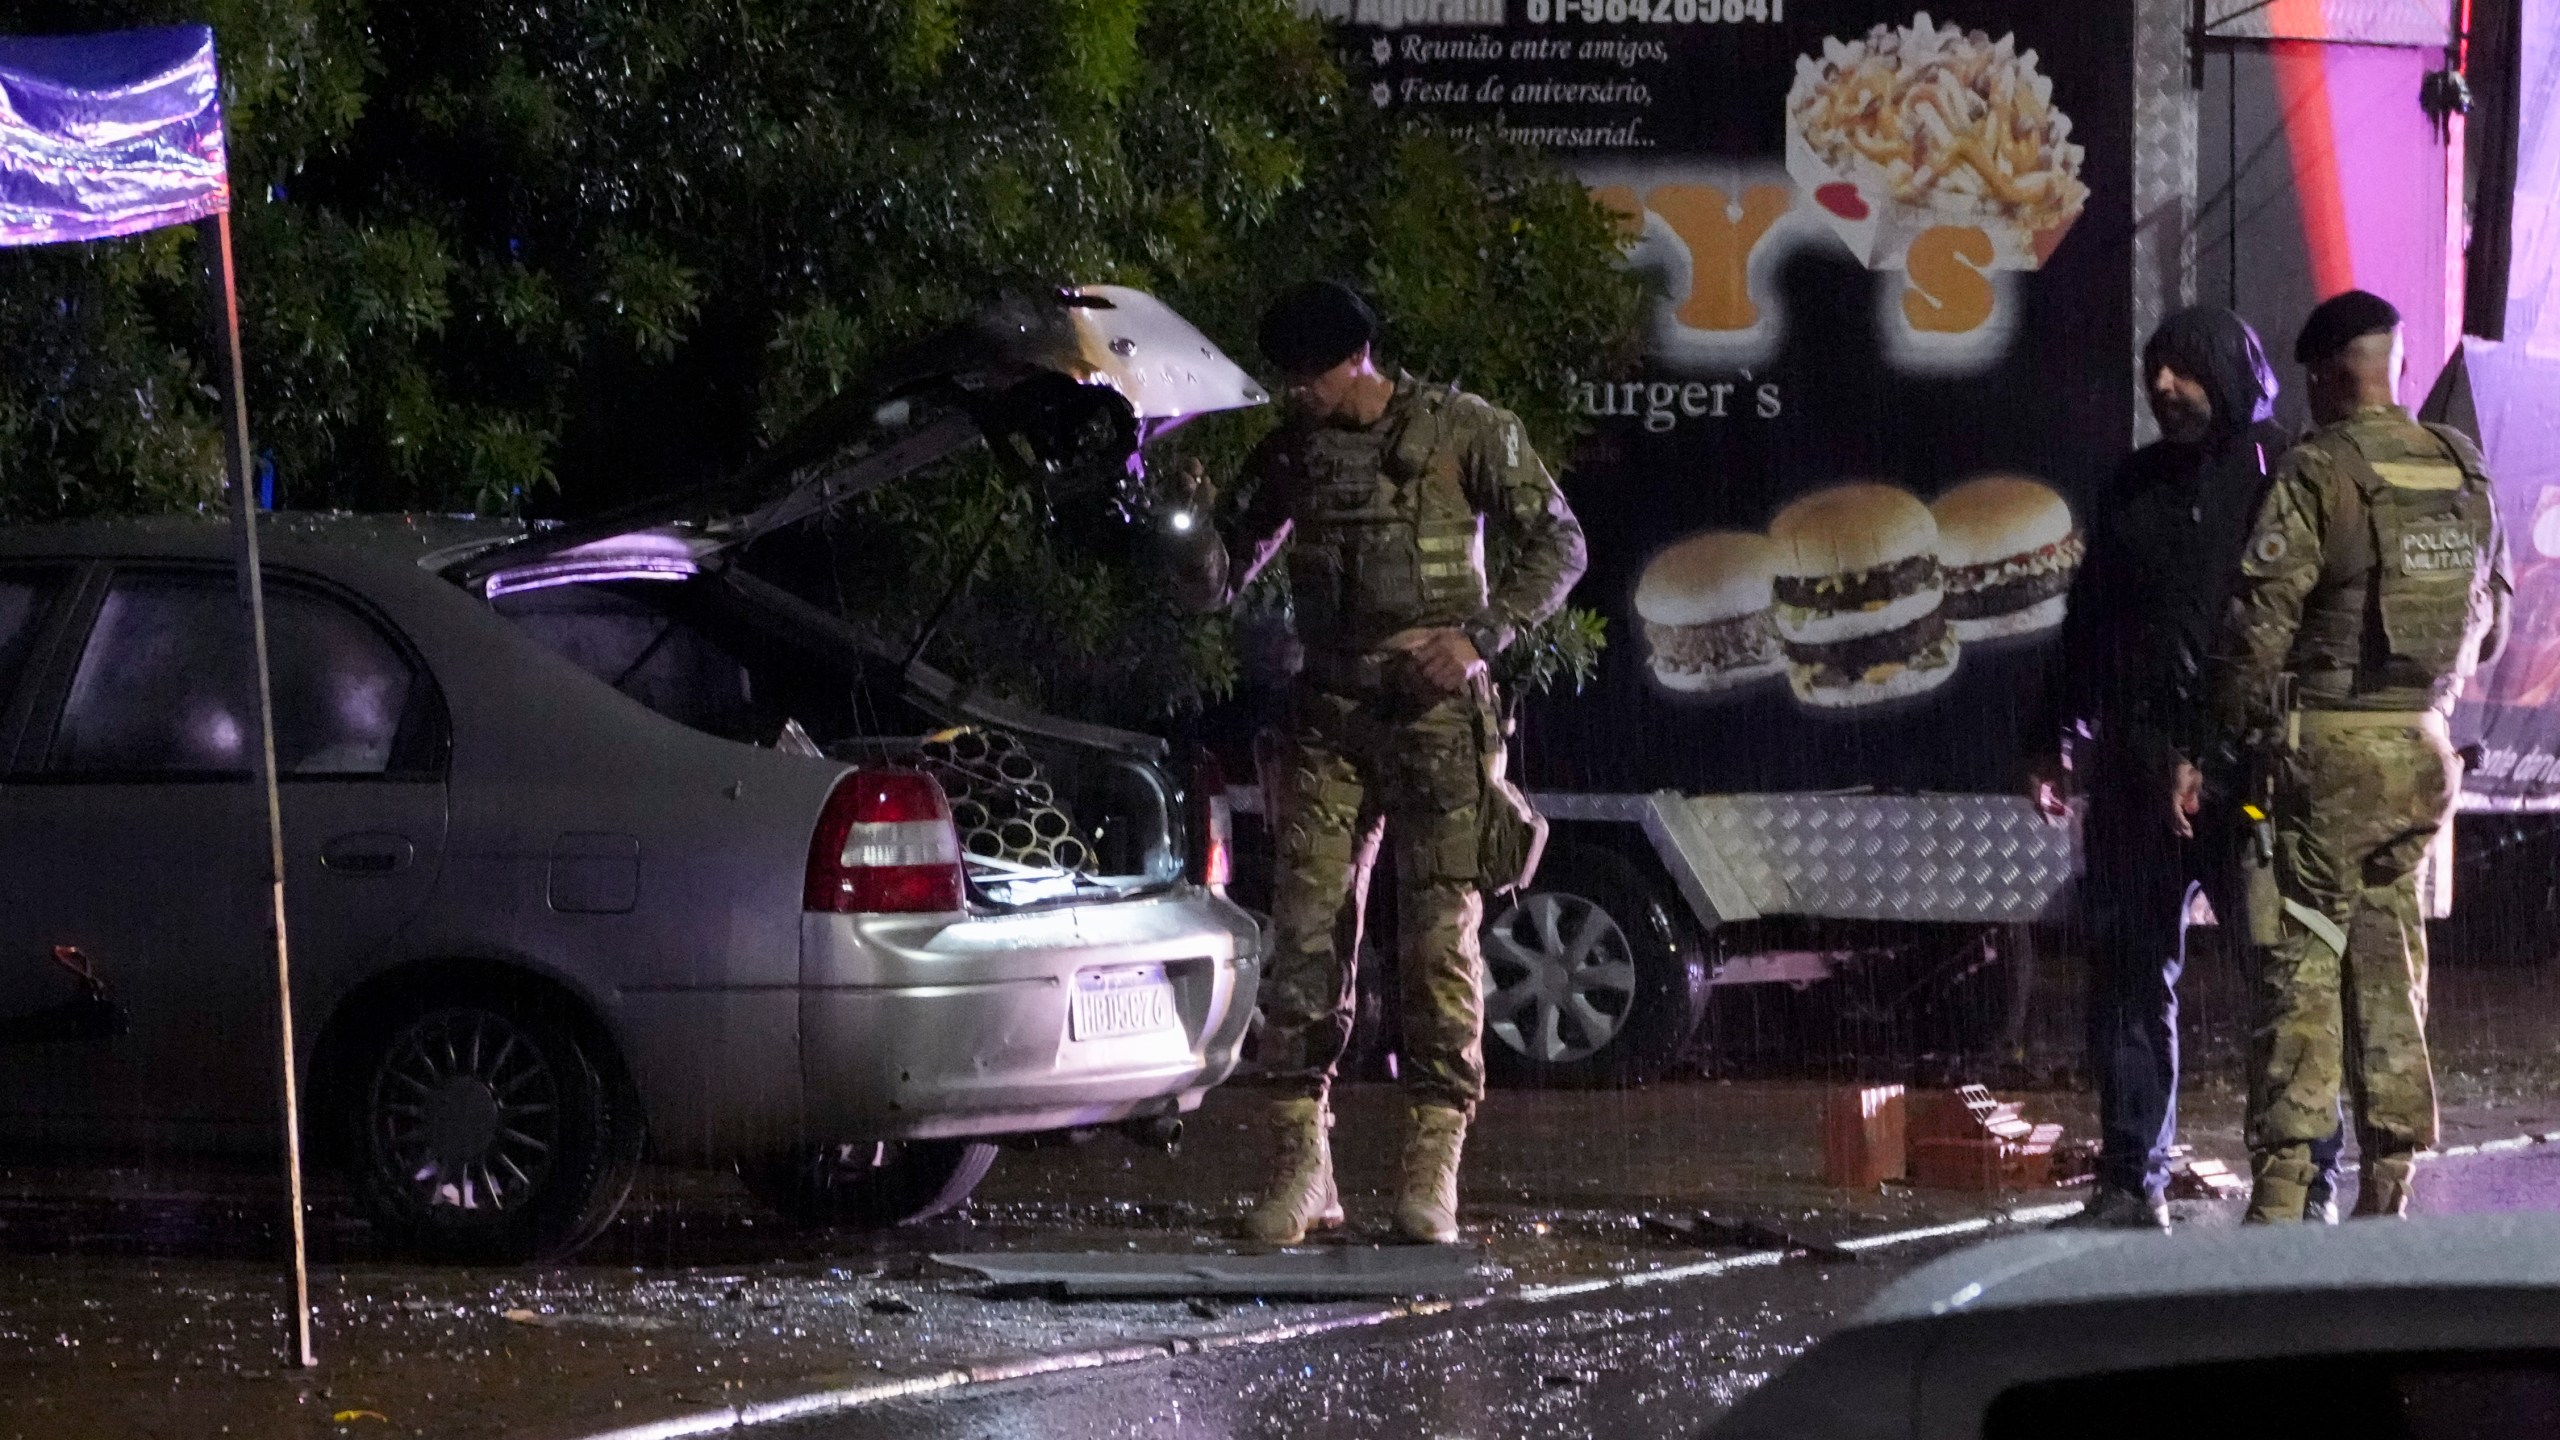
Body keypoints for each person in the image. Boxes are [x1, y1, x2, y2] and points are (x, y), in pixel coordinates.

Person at [1164, 279, 1586, 1245]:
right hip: (1328, 717)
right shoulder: (1296, 449)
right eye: (1286, 375)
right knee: (1304, 942)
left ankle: (1430, 1167)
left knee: (1441, 944)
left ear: (1356, 360)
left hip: (1436, 713)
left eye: (1307, 373)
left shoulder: (1462, 430)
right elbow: (1221, 580)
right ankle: (1300, 1165)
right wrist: (1183, 531)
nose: (1294, 390)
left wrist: (1482, 636)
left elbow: (1561, 543)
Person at [2031, 306, 2343, 1231]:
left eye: (2183, 368)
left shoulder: (2286, 475)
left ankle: (2304, 1179)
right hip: (2135, 774)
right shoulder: (2134, 485)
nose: (2162, 386)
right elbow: (2090, 624)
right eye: (2153, 370)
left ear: (2230, 371)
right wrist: (2054, 731)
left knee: (2279, 977)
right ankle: (2131, 1180)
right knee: (2129, 977)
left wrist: (2225, 747)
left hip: (2250, 785)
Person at [2208, 290, 2510, 1222]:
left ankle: (2286, 1191)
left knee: (2304, 957)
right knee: (2392, 961)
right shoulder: (2458, 466)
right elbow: (2488, 621)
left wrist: (2232, 735)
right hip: (2423, 748)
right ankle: (2391, 1182)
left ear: (2328, 373)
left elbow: (2260, 627)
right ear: (2395, 361)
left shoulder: (2316, 471)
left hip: (2327, 756)